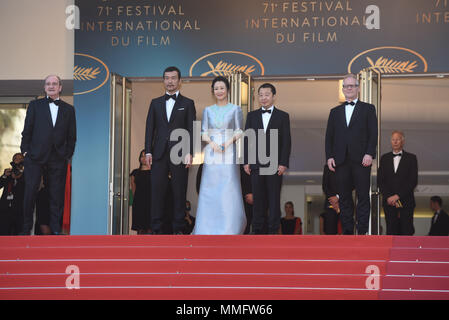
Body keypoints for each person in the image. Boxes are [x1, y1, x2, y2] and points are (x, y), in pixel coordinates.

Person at [20, 75, 76, 235]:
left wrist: (67, 154)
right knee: (30, 193)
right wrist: (25, 151)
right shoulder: (34, 105)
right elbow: (27, 131)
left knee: (56, 197)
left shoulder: (69, 109)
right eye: (48, 84)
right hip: (35, 157)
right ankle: (25, 230)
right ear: (44, 88)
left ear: (60, 87)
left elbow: (72, 137)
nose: (51, 86)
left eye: (54, 84)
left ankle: (56, 231)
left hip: (58, 158)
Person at [145, 66, 196, 235]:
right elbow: (149, 129)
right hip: (158, 153)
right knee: (157, 192)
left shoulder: (188, 103)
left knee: (179, 191)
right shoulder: (155, 103)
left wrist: (190, 152)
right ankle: (156, 228)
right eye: (167, 78)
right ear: (163, 80)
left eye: (174, 78)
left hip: (180, 153)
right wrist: (148, 152)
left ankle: (179, 228)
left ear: (180, 81)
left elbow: (191, 129)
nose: (170, 81)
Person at [193, 76, 246, 234]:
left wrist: (227, 144)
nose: (219, 91)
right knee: (210, 188)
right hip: (211, 151)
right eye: (216, 88)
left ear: (228, 90)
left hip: (228, 151)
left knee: (228, 187)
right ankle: (206, 228)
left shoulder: (235, 109)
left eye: (222, 88)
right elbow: (203, 132)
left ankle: (229, 227)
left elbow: (239, 130)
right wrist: (213, 143)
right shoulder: (207, 110)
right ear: (213, 91)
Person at [325, 74, 377, 235]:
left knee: (362, 196)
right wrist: (329, 156)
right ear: (342, 89)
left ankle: (362, 232)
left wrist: (369, 153)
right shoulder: (334, 112)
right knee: (345, 198)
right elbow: (329, 136)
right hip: (340, 160)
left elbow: (373, 133)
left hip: (362, 159)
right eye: (346, 86)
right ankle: (347, 232)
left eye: (352, 86)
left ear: (358, 88)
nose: (349, 88)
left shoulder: (368, 108)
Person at [244, 83, 291, 234]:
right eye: (261, 95)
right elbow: (247, 140)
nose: (263, 98)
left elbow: (286, 141)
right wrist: (246, 161)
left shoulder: (283, 116)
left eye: (267, 95)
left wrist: (283, 163)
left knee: (273, 198)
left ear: (273, 96)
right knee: (258, 199)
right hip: (256, 164)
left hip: (275, 164)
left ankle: (273, 230)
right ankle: (257, 230)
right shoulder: (251, 116)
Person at [378, 131, 418, 235]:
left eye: (398, 139)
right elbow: (380, 181)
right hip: (389, 202)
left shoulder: (411, 158)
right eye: (393, 139)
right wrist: (389, 197)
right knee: (391, 230)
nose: (395, 142)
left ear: (403, 141)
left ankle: (407, 252)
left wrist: (397, 196)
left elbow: (413, 181)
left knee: (407, 230)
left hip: (406, 201)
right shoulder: (384, 158)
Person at [0, 153, 25, 235]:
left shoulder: (26, 176)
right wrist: (4, 176)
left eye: (20, 159)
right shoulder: (8, 175)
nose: (18, 160)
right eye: (16, 158)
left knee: (17, 234)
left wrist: (19, 176)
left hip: (19, 209)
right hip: (5, 209)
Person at [130, 150, 152, 234]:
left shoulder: (154, 172)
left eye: (145, 156)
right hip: (139, 203)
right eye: (141, 156)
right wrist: (136, 202)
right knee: (140, 229)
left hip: (151, 203)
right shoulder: (135, 173)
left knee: (150, 228)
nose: (143, 158)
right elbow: (133, 189)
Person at [320, 164, 341, 235]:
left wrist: (338, 197)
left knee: (345, 230)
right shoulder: (327, 167)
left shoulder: (347, 164)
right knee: (330, 232)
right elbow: (325, 186)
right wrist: (334, 201)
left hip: (345, 203)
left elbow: (351, 185)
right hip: (330, 204)